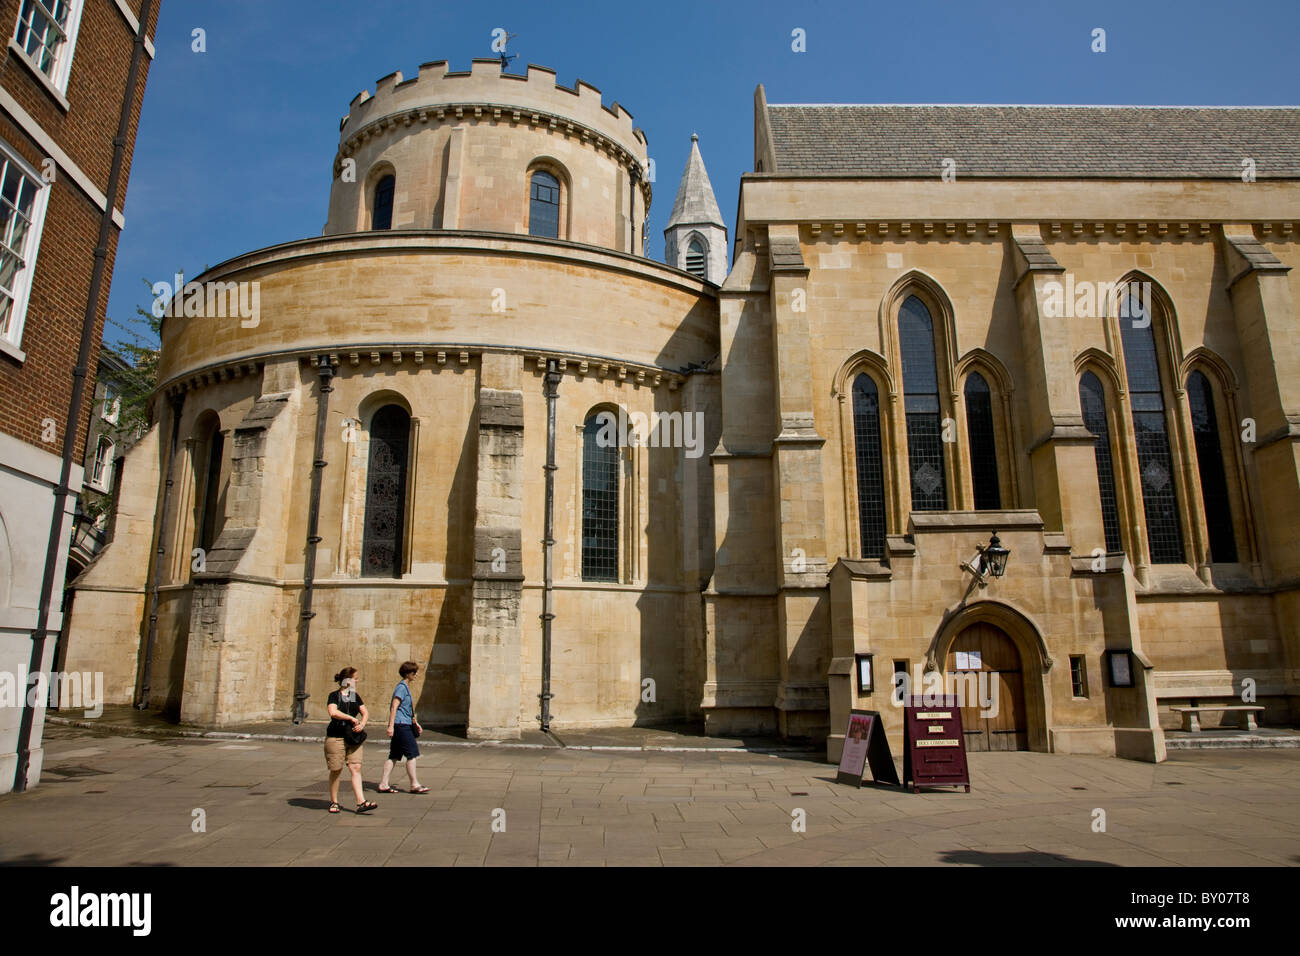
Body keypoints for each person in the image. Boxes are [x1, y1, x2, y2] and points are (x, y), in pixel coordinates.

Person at [324, 667, 377, 813]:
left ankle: (361, 802)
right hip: (336, 737)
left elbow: (364, 712)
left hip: (353, 737)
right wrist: (351, 718)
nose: (357, 680)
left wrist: (363, 723)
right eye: (355, 678)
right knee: (336, 769)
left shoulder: (353, 696)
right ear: (347, 680)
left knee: (356, 767)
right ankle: (334, 802)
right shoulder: (334, 695)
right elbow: (333, 712)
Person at [379, 660, 427, 794]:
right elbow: (394, 707)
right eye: (414, 672)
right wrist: (390, 726)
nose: (416, 675)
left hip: (404, 723)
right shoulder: (401, 688)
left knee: (394, 755)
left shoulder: (405, 687)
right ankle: (414, 784)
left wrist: (415, 722)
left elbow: (406, 709)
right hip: (401, 726)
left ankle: (383, 784)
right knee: (412, 753)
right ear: (408, 674)